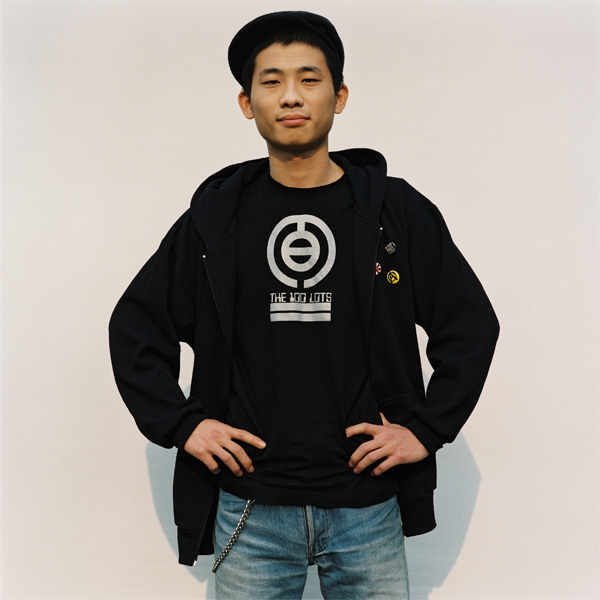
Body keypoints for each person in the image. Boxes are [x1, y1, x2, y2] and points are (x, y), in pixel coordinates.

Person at [109, 10, 499, 599]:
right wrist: (183, 425)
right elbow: (136, 327)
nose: (291, 95)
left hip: (367, 507)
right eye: (271, 81)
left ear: (339, 97)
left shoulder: (395, 212)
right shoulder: (215, 220)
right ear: (247, 103)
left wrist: (425, 430)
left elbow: (469, 325)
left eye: (309, 79)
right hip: (251, 508)